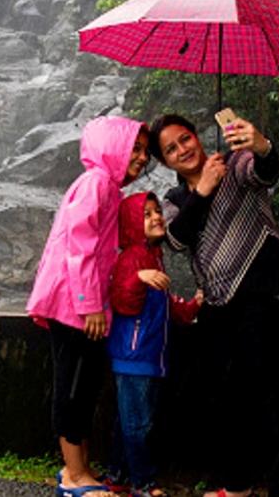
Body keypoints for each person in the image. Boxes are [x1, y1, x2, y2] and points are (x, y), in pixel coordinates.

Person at [148, 113, 279, 497]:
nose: (182, 150)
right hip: (223, 301)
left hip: (273, 290)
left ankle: (263, 485)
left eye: (185, 139)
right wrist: (202, 191)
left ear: (197, 137)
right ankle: (240, 482)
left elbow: (265, 171)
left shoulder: (234, 166)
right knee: (222, 389)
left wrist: (261, 144)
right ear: (165, 162)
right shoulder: (174, 200)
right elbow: (175, 240)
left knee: (261, 385)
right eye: (171, 149)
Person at [27, 115, 151, 497]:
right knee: (73, 385)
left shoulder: (107, 188)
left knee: (85, 383)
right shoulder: (96, 183)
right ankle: (72, 474)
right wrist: (90, 305)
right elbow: (78, 248)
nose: (143, 158)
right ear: (111, 147)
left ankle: (80, 467)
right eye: (135, 148)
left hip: (83, 304)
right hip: (74, 304)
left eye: (145, 152)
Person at [103, 191, 202, 497]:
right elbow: (122, 300)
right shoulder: (132, 258)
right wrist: (139, 278)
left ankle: (116, 475)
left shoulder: (152, 256)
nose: (157, 216)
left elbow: (164, 302)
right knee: (139, 424)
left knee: (128, 421)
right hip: (134, 354)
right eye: (146, 214)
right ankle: (142, 483)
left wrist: (191, 307)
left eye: (157, 211)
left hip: (146, 354)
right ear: (132, 224)